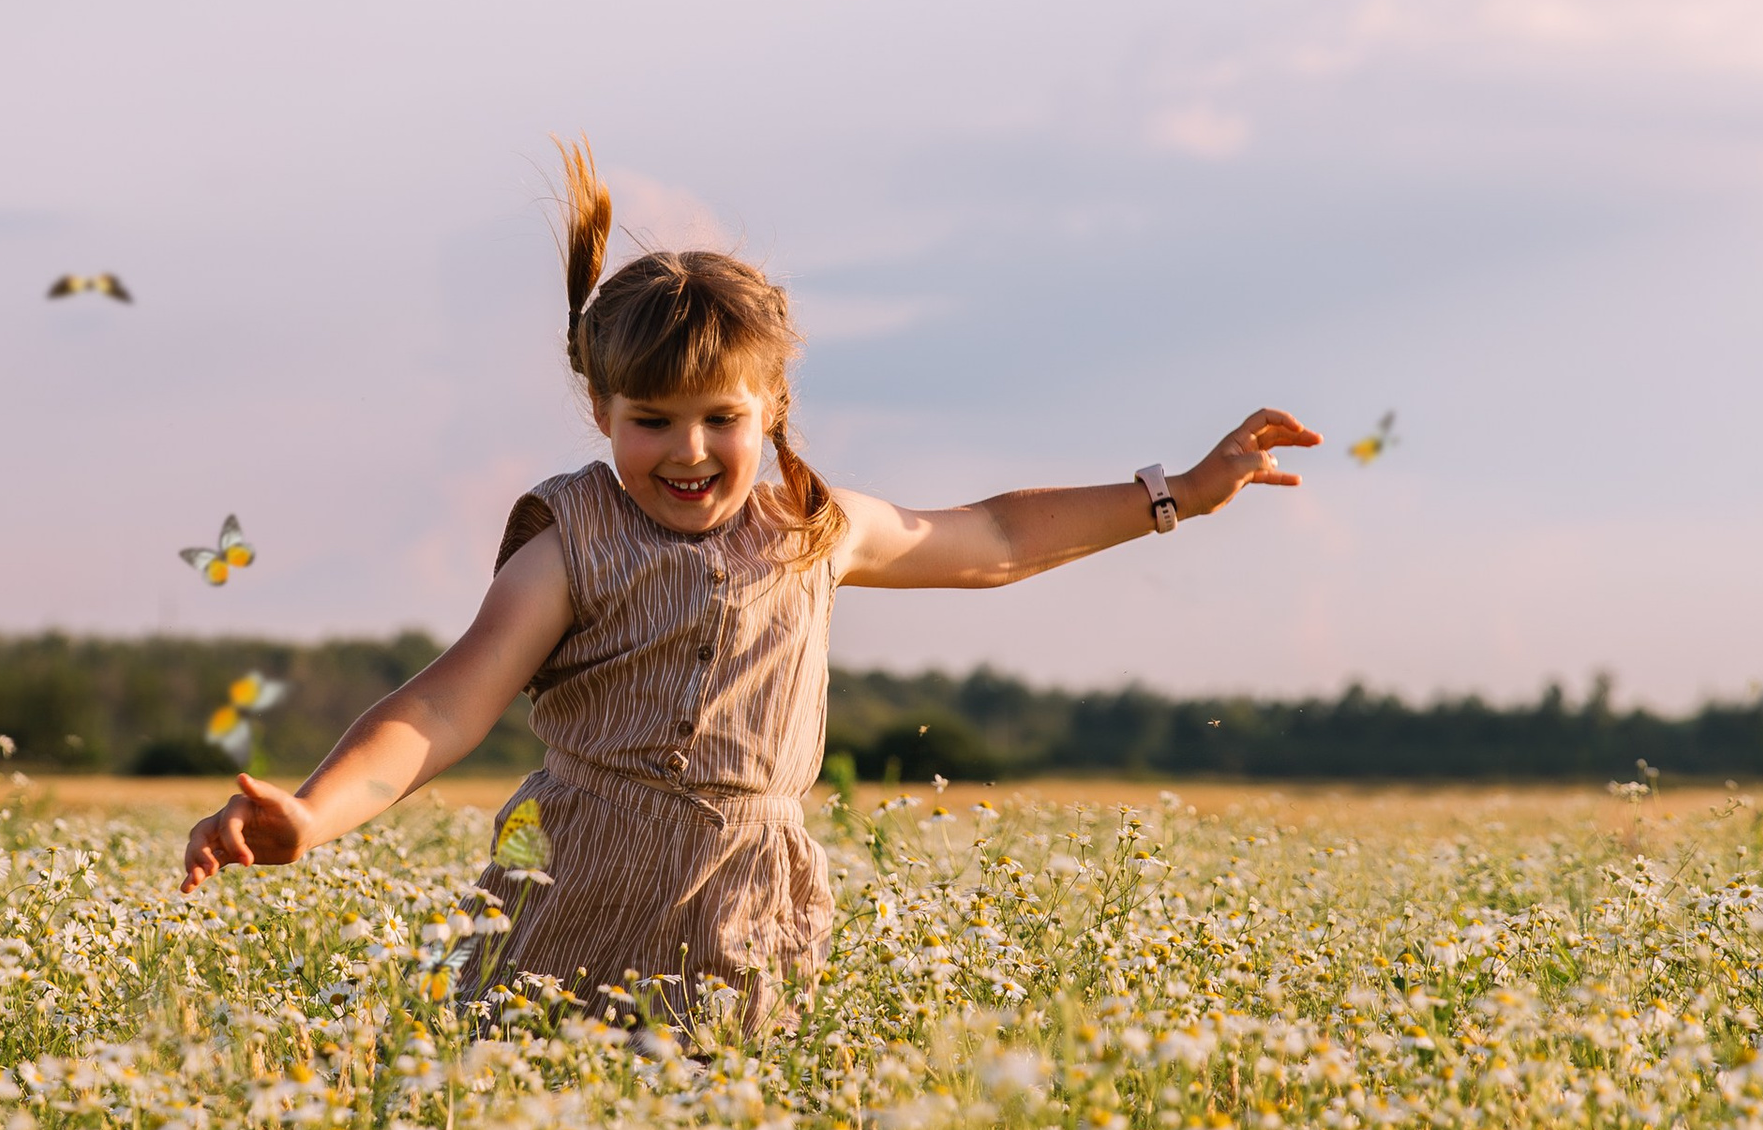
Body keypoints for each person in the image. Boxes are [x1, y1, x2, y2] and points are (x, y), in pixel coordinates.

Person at [181, 142, 1316, 1025]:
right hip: (562, 900)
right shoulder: (570, 539)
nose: (686, 451)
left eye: (720, 419)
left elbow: (997, 536)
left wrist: (1176, 492)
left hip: (738, 909)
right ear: (599, 414)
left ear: (771, 407)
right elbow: (443, 706)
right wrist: (314, 816)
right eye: (651, 422)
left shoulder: (814, 531)